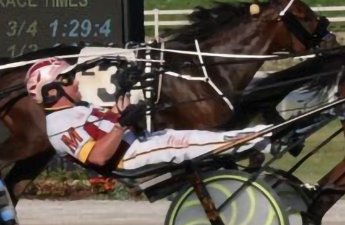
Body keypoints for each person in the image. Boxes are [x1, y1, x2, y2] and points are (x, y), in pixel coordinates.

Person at [25, 58, 270, 172]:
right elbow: (99, 156)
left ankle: (259, 138)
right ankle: (264, 138)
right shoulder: (59, 126)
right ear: (51, 92)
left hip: (138, 144)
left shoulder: (76, 109)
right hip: (130, 157)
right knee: (193, 142)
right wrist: (121, 125)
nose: (76, 81)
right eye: (68, 79)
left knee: (199, 137)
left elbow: (114, 117)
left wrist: (126, 88)